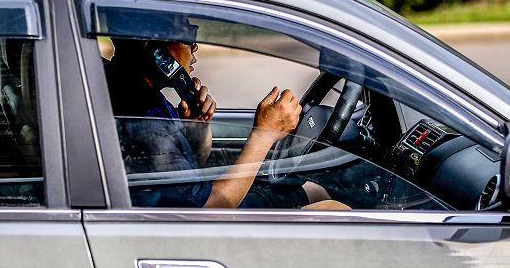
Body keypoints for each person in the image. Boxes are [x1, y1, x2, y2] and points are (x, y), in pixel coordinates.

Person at [103, 11, 349, 210]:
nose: (195, 47)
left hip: (208, 206)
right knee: (337, 210)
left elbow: (191, 165)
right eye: (187, 37)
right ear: (153, 49)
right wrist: (264, 135)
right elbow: (210, 208)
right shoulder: (144, 124)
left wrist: (197, 129)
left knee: (316, 191)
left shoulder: (138, 94)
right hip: (217, 223)